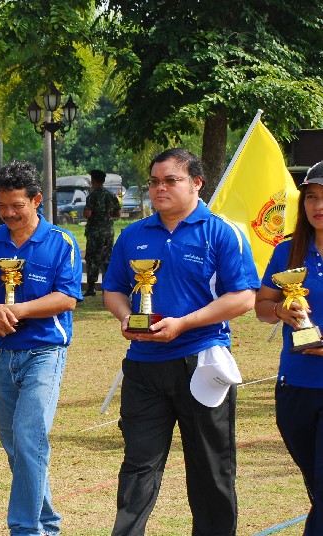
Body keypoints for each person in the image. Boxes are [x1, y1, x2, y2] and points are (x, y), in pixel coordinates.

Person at [101, 148, 259, 536]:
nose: (160, 188)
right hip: (143, 367)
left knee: (210, 468)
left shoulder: (221, 231)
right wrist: (125, 317)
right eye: (154, 182)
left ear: (196, 183)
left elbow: (243, 297)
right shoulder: (133, 235)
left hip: (201, 362)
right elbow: (113, 289)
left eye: (171, 180)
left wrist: (185, 324)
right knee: (138, 466)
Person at [0, 160, 83, 536]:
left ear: (36, 200)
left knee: (29, 436)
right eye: (2, 206)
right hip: (2, 354)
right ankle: (47, 524)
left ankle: (24, 529)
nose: (9, 213)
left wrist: (17, 311)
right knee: (17, 446)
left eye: (17, 205)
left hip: (45, 353)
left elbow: (67, 298)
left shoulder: (61, 241)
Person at [255, 160, 323, 535]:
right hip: (295, 387)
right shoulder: (287, 251)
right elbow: (261, 307)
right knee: (316, 487)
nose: (318, 206)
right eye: (311, 197)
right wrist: (281, 310)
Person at [82, 169, 120, 296]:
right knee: (107, 258)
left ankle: (91, 287)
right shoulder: (111, 196)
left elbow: (88, 213)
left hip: (95, 233)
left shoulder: (92, 196)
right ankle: (107, 286)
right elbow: (117, 213)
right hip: (108, 232)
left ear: (93, 181)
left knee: (92, 258)